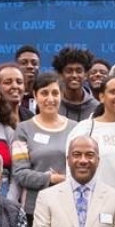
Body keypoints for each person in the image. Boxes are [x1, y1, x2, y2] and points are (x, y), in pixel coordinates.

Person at [68, 76, 115, 194]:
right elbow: (71, 171)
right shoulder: (84, 129)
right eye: (113, 92)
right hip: (91, 204)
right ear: (102, 97)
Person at [15, 73, 74, 214]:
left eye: (55, 93)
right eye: (44, 93)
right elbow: (19, 173)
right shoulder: (23, 129)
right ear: (35, 95)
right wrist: (51, 178)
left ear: (62, 95)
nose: (50, 99)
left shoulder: (75, 128)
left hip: (69, 206)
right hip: (35, 208)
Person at [50, 48, 100, 121]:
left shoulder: (96, 108)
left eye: (79, 71)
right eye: (69, 71)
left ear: (86, 75)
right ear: (60, 75)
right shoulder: (51, 104)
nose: (74, 75)